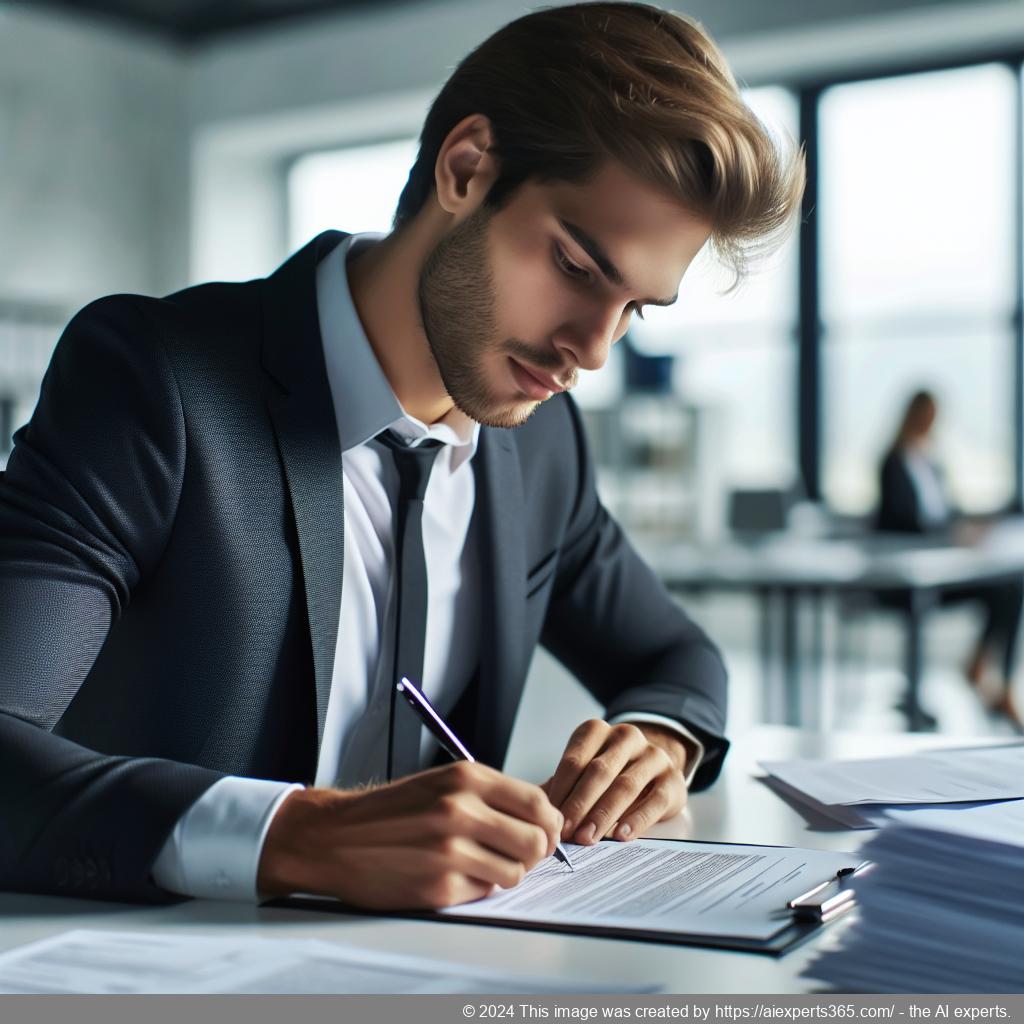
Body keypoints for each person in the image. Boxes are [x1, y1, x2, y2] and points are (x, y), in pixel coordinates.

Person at [0, 3, 804, 909]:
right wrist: (291, 837)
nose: (593, 350)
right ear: (466, 169)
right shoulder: (156, 381)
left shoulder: (541, 448)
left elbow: (674, 653)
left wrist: (658, 741)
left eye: (635, 309)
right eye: (579, 268)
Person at [876, 389, 1023, 731]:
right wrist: (945, 537)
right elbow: (899, 521)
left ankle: (994, 676)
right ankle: (950, 681)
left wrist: (967, 529)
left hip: (943, 567)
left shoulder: (931, 462)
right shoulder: (892, 462)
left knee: (1011, 587)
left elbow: (944, 513)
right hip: (905, 576)